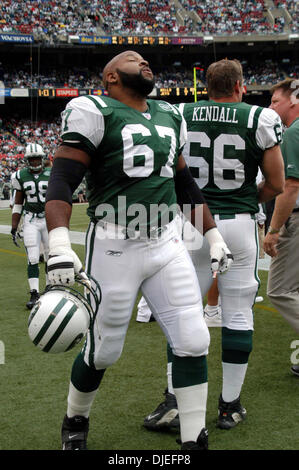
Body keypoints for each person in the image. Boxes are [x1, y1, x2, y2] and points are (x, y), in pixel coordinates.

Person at [44, 50, 233, 451]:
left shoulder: (169, 114)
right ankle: (75, 418)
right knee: (104, 349)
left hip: (167, 241)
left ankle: (192, 438)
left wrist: (213, 236)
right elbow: (62, 179)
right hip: (114, 242)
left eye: (146, 59)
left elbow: (184, 186)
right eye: (133, 58)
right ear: (110, 76)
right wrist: (59, 242)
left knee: (194, 339)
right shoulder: (94, 110)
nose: (144, 62)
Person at [141, 58, 285, 433]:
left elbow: (166, 170)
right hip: (237, 223)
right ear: (240, 85)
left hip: (191, 223)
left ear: (207, 87)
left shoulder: (180, 113)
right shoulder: (259, 117)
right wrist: (247, 198)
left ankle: (175, 402)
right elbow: (277, 183)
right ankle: (229, 406)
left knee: (181, 314)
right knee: (237, 313)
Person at [264, 78, 299, 377]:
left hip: (297, 219)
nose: (271, 106)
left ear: (293, 101)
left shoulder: (294, 133)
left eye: (276, 101)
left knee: (279, 290)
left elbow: (290, 187)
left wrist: (274, 230)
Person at [11, 143, 51, 309]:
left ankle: (51, 288)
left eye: (37, 159)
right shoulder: (20, 175)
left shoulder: (52, 173)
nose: (35, 162)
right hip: (31, 219)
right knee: (33, 257)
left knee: (51, 255)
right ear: (27, 160)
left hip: (49, 219)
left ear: (42, 158)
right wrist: (14, 226)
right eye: (32, 159)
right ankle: (34, 292)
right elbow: (18, 203)